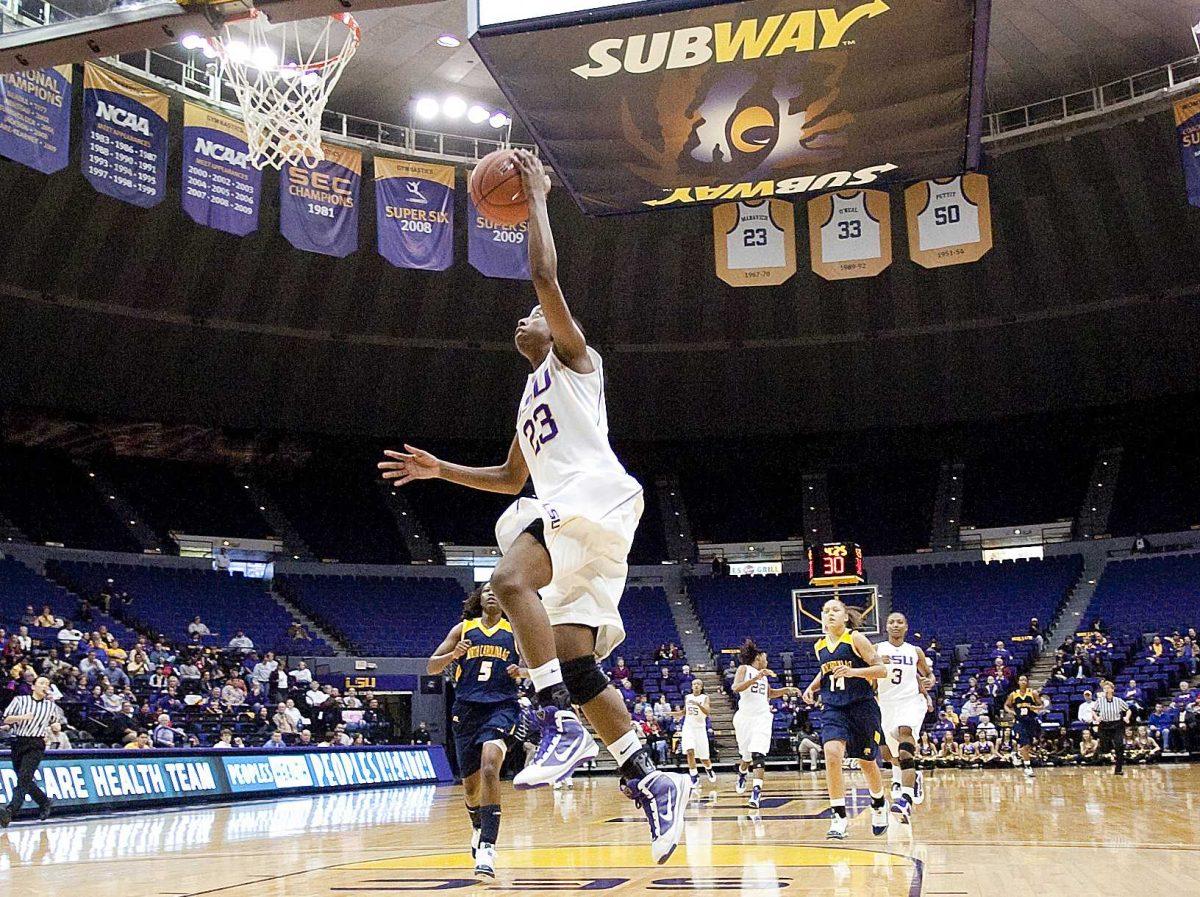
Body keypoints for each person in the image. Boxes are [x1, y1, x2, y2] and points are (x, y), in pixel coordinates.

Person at [378, 149, 690, 863]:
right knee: (578, 663)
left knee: (507, 580)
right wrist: (438, 469)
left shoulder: (577, 363)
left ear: (551, 331)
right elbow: (507, 474)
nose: (524, 320)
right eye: (523, 318)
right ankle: (650, 780)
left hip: (594, 498)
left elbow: (544, 275)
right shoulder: (526, 404)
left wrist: (540, 195)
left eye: (533, 317)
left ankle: (557, 720)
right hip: (579, 519)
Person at [428, 585, 523, 880]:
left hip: (502, 707)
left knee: (490, 767)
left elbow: (539, 666)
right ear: (478, 599)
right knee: (470, 789)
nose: (491, 594)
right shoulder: (463, 629)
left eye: (496, 590)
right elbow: (432, 667)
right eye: (485, 590)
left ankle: (488, 848)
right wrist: (452, 655)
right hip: (466, 709)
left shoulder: (516, 631)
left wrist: (524, 672)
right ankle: (478, 826)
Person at [802, 599, 889, 840]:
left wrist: (855, 672)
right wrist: (812, 687)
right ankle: (839, 816)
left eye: (835, 610)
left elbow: (881, 670)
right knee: (831, 754)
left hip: (861, 706)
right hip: (834, 708)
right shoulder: (819, 645)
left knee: (866, 761)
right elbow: (826, 671)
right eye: (825, 610)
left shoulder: (856, 639)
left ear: (845, 617)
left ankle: (879, 802)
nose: (829, 613)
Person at [875, 612, 932, 823]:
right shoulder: (877, 649)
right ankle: (912, 775)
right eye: (891, 622)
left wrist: (929, 684)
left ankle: (905, 798)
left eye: (900, 622)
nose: (896, 625)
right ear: (886, 627)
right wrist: (877, 662)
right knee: (889, 756)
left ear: (906, 627)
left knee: (904, 734)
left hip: (910, 702)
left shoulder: (914, 651)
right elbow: (863, 669)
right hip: (885, 705)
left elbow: (926, 674)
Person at [732, 639, 798, 810]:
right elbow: (736, 687)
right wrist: (756, 677)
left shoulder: (764, 676)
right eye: (765, 658)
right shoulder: (744, 669)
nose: (767, 661)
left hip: (762, 717)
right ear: (758, 657)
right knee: (746, 756)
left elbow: (769, 694)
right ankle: (742, 772)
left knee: (759, 753)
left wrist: (787, 690)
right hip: (745, 718)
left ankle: (756, 793)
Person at [0, 676, 57, 827]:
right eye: (42, 683)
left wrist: (54, 727)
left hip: (36, 743)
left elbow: (55, 722)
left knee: (24, 778)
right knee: (24, 778)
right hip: (18, 742)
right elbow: (6, 719)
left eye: (48, 684)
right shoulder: (20, 700)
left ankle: (10, 810)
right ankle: (44, 801)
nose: (45, 686)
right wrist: (22, 717)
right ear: (33, 687)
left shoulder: (50, 706)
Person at [676, 678, 716, 787]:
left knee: (704, 758)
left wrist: (697, 704)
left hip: (700, 729)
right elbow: (685, 712)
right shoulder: (687, 697)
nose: (696, 686)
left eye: (698, 684)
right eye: (694, 684)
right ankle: (694, 775)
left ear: (702, 687)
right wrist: (675, 714)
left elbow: (707, 712)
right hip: (688, 727)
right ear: (692, 686)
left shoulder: (705, 698)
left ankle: (709, 769)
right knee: (689, 751)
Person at [1004, 675, 1044, 777]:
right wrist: (1012, 712)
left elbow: (1041, 705)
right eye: (1021, 680)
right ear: (1018, 682)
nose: (1023, 682)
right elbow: (1006, 705)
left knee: (1031, 744)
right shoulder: (1014, 694)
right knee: (1025, 745)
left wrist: (1034, 707)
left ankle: (1018, 754)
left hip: (1031, 721)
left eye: (1025, 680)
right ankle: (1027, 767)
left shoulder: (1033, 693)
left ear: (1027, 682)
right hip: (1020, 722)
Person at [1092, 680, 1132, 775]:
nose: (1106, 690)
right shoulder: (1099, 701)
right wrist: (1097, 717)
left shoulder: (1118, 700)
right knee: (1104, 745)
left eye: (1108, 688)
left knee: (1119, 745)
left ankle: (1118, 769)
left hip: (1116, 724)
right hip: (1104, 725)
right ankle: (1107, 756)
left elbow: (1128, 710)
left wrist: (1126, 717)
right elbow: (1094, 711)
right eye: (1104, 688)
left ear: (1112, 690)